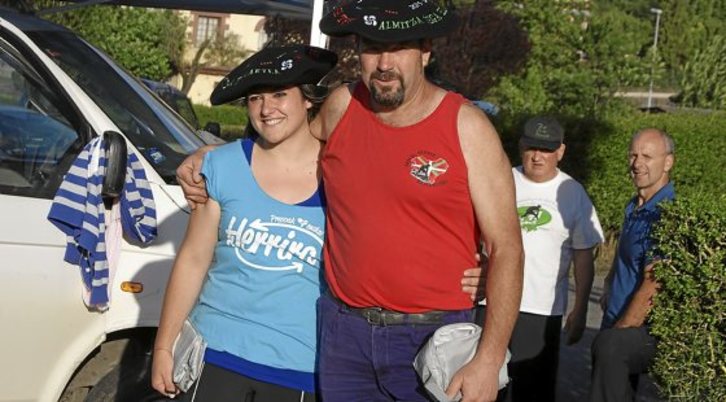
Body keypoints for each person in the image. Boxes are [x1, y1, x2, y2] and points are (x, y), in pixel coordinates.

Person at [177, 2, 523, 401]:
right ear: (357, 51)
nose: (384, 64)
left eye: (399, 48)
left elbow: (507, 248)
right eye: (372, 48)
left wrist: (489, 358)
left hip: (433, 336)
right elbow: (286, 144)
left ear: (425, 52)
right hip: (345, 336)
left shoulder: (467, 128)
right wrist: (214, 155)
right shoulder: (343, 106)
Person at [150, 44, 337, 401]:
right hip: (214, 354)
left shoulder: (340, 174)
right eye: (255, 98)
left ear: (307, 99)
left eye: (280, 94)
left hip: (297, 368)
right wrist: (163, 345)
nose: (267, 109)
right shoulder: (222, 166)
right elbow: (193, 258)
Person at [501, 116, 604, 402]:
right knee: (486, 390)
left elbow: (583, 257)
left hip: (541, 310)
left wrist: (580, 309)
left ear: (560, 151)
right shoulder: (501, 180)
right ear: (521, 146)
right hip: (493, 304)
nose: (537, 157)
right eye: (531, 148)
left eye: (546, 149)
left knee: (533, 393)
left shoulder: (573, 193)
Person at [589, 128, 676, 402]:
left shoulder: (666, 214)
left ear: (668, 162)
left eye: (647, 156)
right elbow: (627, 251)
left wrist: (617, 334)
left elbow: (654, 283)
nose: (637, 163)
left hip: (636, 328)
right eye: (633, 155)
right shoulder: (635, 206)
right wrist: (609, 281)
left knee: (610, 353)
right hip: (616, 318)